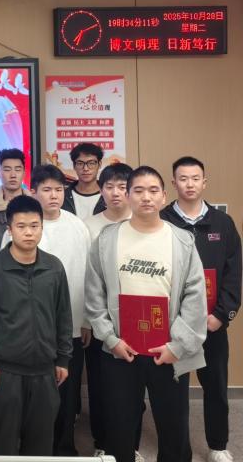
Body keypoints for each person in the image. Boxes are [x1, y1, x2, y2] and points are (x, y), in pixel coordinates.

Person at [84, 166, 207, 462]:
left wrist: (177, 345)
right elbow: (93, 293)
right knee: (119, 425)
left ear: (164, 196)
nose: (146, 197)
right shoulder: (107, 239)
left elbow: (195, 296)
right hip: (120, 349)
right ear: (128, 196)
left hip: (168, 350)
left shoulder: (181, 240)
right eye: (138, 191)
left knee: (174, 426)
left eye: (153, 191)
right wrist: (110, 338)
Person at [0, 195, 72, 456]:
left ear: (42, 227)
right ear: (9, 229)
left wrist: (63, 358)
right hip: (6, 371)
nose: (29, 232)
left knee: (41, 440)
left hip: (45, 369)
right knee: (5, 440)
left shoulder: (54, 267)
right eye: (21, 226)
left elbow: (63, 315)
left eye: (34, 226)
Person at [7, 164, 91, 456]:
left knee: (67, 391)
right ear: (33, 192)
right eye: (46, 190)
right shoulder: (19, 228)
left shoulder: (77, 226)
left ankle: (64, 446)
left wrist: (86, 320)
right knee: (31, 396)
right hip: (28, 329)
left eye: (59, 189)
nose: (54, 195)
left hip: (71, 325)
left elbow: (88, 275)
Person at [161, 157, 241, 462]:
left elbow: (234, 273)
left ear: (204, 182)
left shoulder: (223, 223)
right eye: (183, 178)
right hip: (174, 325)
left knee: (216, 387)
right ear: (173, 183)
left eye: (195, 178)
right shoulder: (162, 220)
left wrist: (221, 315)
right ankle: (176, 449)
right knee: (173, 390)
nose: (190, 184)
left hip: (211, 323)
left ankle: (218, 445)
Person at [82, 161, 135, 456]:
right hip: (100, 317)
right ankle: (101, 443)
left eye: (123, 187)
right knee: (100, 385)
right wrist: (87, 320)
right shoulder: (88, 226)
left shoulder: (142, 221)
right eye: (109, 186)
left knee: (133, 386)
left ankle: (131, 444)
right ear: (100, 190)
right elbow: (85, 277)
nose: (116, 193)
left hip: (135, 317)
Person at [64, 142, 104, 218]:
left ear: (99, 164)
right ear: (74, 166)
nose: (85, 168)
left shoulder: (108, 196)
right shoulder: (63, 196)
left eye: (91, 163)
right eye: (80, 163)